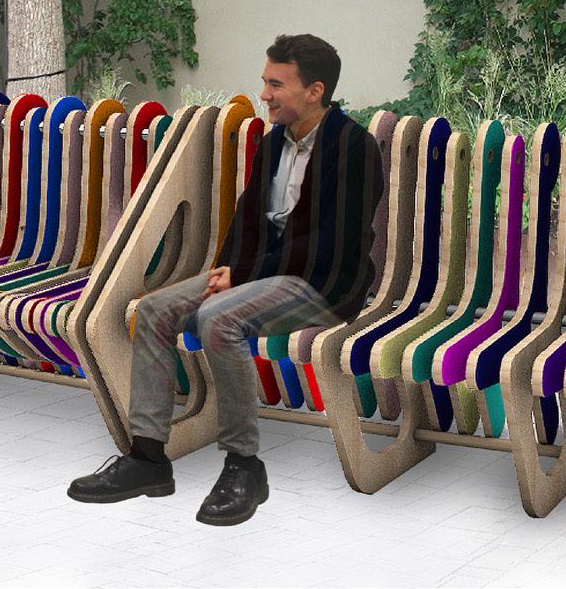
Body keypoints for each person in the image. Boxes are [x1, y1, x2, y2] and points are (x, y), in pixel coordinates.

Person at [68, 33, 384, 525]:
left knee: (219, 318)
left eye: (276, 84)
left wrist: (244, 274)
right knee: (153, 311)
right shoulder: (276, 141)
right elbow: (248, 217)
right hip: (261, 276)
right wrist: (227, 268)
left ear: (315, 91)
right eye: (265, 82)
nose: (264, 95)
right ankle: (148, 458)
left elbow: (330, 243)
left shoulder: (353, 146)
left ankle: (244, 466)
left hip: (322, 284)